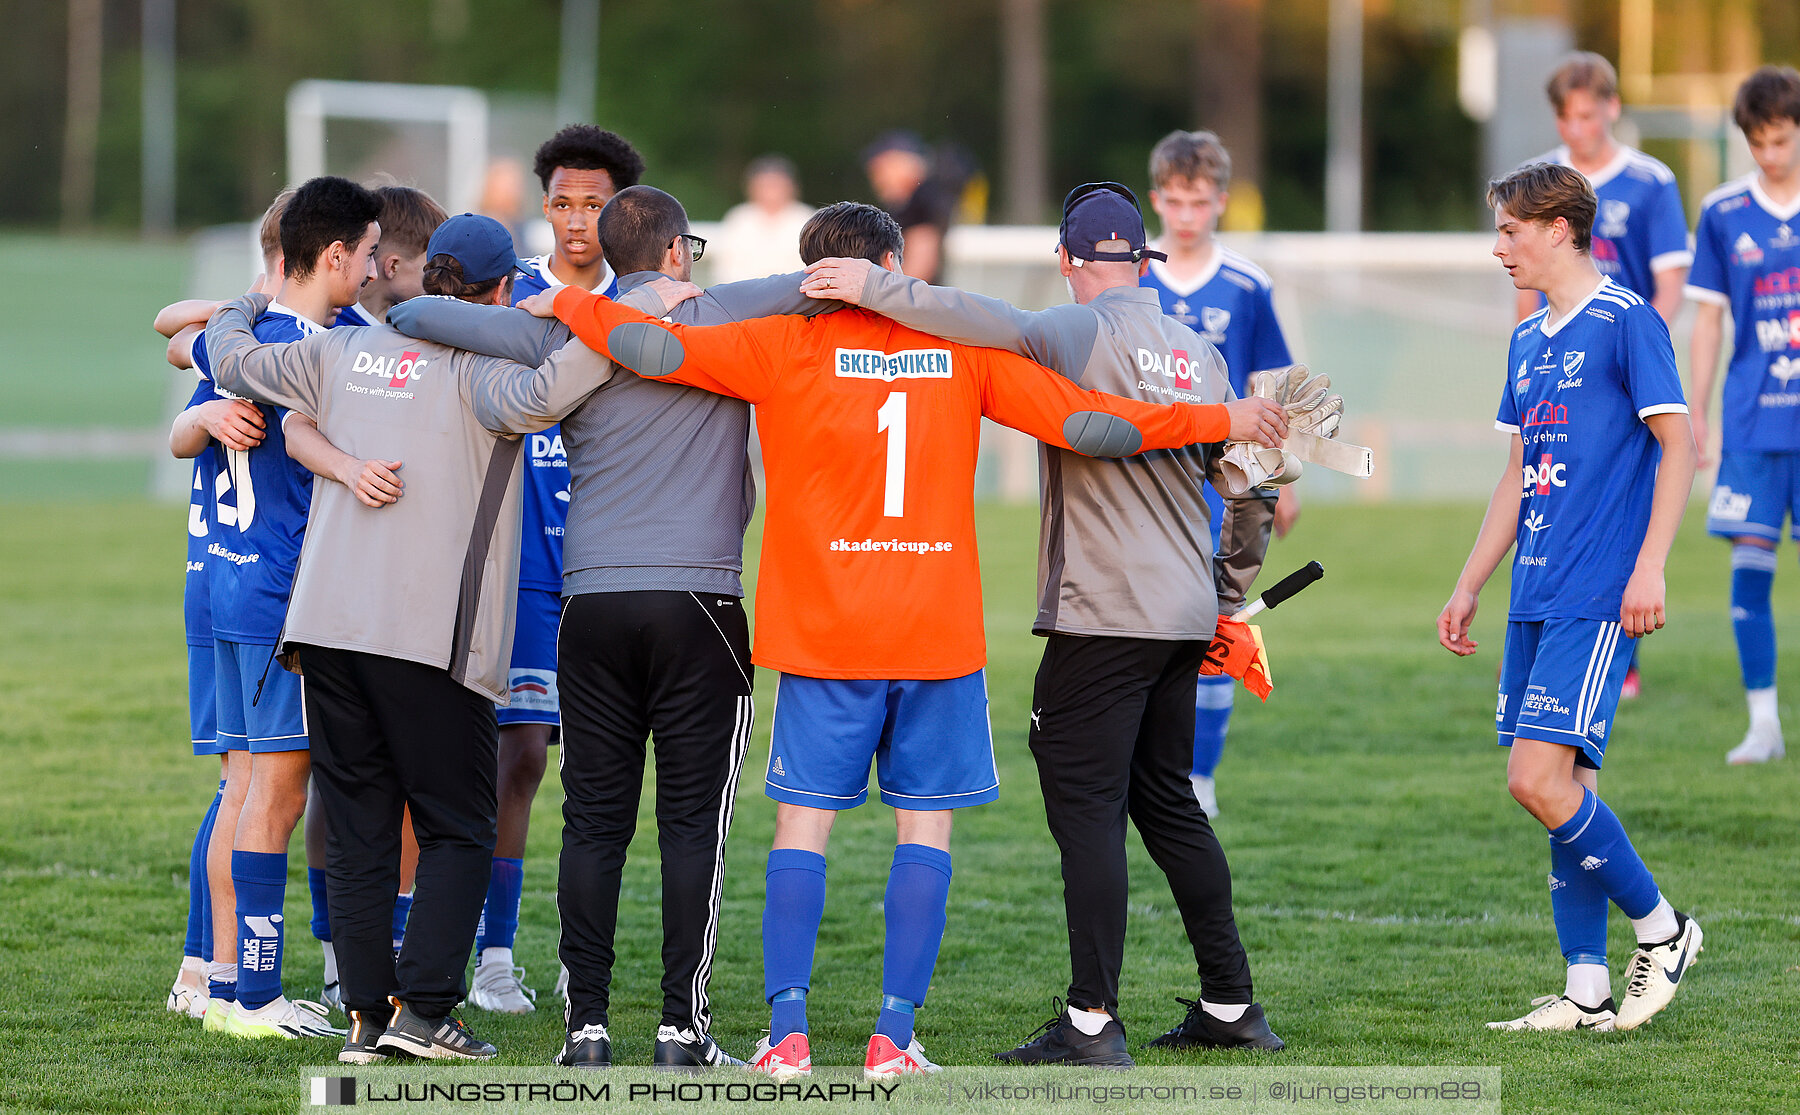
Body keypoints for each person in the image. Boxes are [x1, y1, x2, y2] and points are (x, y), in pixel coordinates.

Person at [526, 199, 1288, 1080]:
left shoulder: (784, 344)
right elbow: (1090, 427)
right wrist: (1213, 420)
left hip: (821, 630)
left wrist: (571, 304)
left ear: (818, 277)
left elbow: (651, 349)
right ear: (891, 268)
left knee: (801, 826)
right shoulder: (962, 352)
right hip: (934, 628)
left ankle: (788, 1035)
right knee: (922, 827)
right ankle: (893, 1036)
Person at [803, 181, 1289, 1064]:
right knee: (1171, 805)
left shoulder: (1078, 329)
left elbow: (969, 313)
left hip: (1102, 615)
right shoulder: (1199, 351)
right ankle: (1230, 1003)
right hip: (1182, 613)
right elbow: (1253, 487)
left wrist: (871, 285)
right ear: (1143, 259)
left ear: (1068, 261)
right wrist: (1226, 594)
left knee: (1089, 815)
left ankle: (1093, 1020)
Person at [390, 184, 834, 1069]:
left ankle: (584, 1027)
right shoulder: (721, 312)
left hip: (589, 606)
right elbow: (814, 285)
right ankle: (681, 1028)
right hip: (701, 604)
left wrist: (550, 301)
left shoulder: (567, 330)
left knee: (593, 823)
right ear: (675, 253)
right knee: (690, 826)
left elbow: (422, 314)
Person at [200, 213, 617, 1064]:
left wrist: (244, 301)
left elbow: (230, 356)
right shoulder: (493, 375)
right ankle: (424, 1012)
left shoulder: (341, 351)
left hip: (324, 629)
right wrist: (579, 309)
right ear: (503, 292)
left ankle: (364, 1021)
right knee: (460, 825)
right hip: (432, 637)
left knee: (357, 828)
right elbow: (596, 354)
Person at [1439, 162, 1701, 1033]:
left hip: (1597, 590)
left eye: (1512, 229)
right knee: (1565, 783)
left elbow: (1680, 445)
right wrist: (1471, 581)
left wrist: (1651, 564)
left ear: (1558, 228)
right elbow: (1517, 474)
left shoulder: (1629, 321)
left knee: (1536, 778)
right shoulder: (1526, 341)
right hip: (1533, 591)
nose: (1499, 246)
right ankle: (1586, 986)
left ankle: (1664, 931)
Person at [167, 177, 381, 1040]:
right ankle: (253, 997)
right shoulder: (309, 349)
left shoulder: (245, 338)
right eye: (368, 255)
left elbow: (177, 344)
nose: (373, 271)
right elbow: (293, 434)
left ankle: (223, 985)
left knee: (244, 786)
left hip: (225, 582)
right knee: (276, 795)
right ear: (333, 256)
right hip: (277, 596)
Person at [460, 127, 648, 1015]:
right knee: (521, 757)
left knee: (605, 777)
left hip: (616, 566)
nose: (579, 223)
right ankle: (494, 955)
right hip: (526, 569)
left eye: (596, 205)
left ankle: (585, 960)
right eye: (565, 204)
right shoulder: (514, 297)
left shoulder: (645, 300)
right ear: (544, 207)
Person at [1522, 52, 1692, 701]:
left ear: (1612, 109)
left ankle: (1622, 644)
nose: (1576, 129)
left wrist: (1637, 345)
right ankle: (1565, 630)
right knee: (1554, 494)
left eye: (1588, 115)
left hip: (1622, 370)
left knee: (1621, 495)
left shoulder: (1650, 181)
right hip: (1555, 368)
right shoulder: (1540, 183)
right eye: (1566, 117)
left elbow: (1670, 282)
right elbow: (1524, 289)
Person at [1140, 128, 1298, 819]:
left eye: (1198, 201)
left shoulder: (1245, 284)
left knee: (1217, 623)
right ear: (1156, 199)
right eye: (1173, 200)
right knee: (1140, 624)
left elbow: (1272, 384)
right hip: (1142, 479)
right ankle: (1143, 767)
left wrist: (1281, 480)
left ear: (1221, 202)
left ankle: (1199, 777)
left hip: (1222, 483)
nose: (1184, 214)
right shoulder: (1133, 274)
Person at [1688, 65, 1800, 765]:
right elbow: (1708, 321)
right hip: (1754, 426)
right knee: (1749, 572)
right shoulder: (1724, 213)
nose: (1770, 154)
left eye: (1782, 140)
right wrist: (1694, 412)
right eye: (1758, 142)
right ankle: (1764, 722)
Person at [333, 185, 449, 326]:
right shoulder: (333, 326)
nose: (440, 279)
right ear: (393, 266)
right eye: (431, 267)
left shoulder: (405, 326)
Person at [864, 131, 956, 283]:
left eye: (881, 170)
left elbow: (918, 269)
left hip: (914, 302)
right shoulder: (914, 203)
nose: (876, 179)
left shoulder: (921, 203)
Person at [711, 155, 815, 282]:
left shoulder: (805, 218)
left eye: (776, 185)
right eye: (765, 185)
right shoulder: (740, 218)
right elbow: (726, 266)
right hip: (745, 294)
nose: (771, 192)